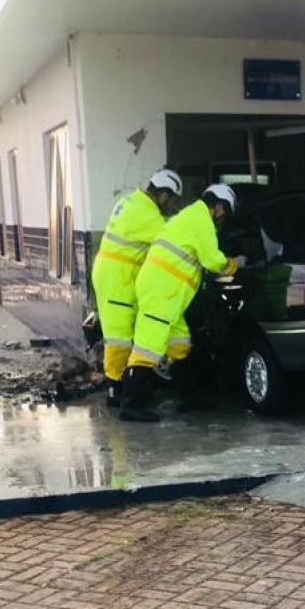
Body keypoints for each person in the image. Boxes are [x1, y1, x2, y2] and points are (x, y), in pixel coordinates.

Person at [121, 183, 242, 422]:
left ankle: (188, 396)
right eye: (223, 211)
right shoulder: (200, 219)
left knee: (180, 344)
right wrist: (233, 264)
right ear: (218, 205)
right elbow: (211, 259)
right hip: (162, 293)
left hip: (169, 294)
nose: (222, 217)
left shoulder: (190, 215)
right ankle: (130, 405)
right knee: (148, 347)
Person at [91, 168, 182, 407]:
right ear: (163, 194)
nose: (169, 204)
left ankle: (120, 385)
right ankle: (116, 389)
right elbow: (171, 236)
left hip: (114, 273)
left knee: (121, 333)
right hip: (118, 278)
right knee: (119, 337)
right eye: (170, 199)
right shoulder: (147, 212)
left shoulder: (130, 201)